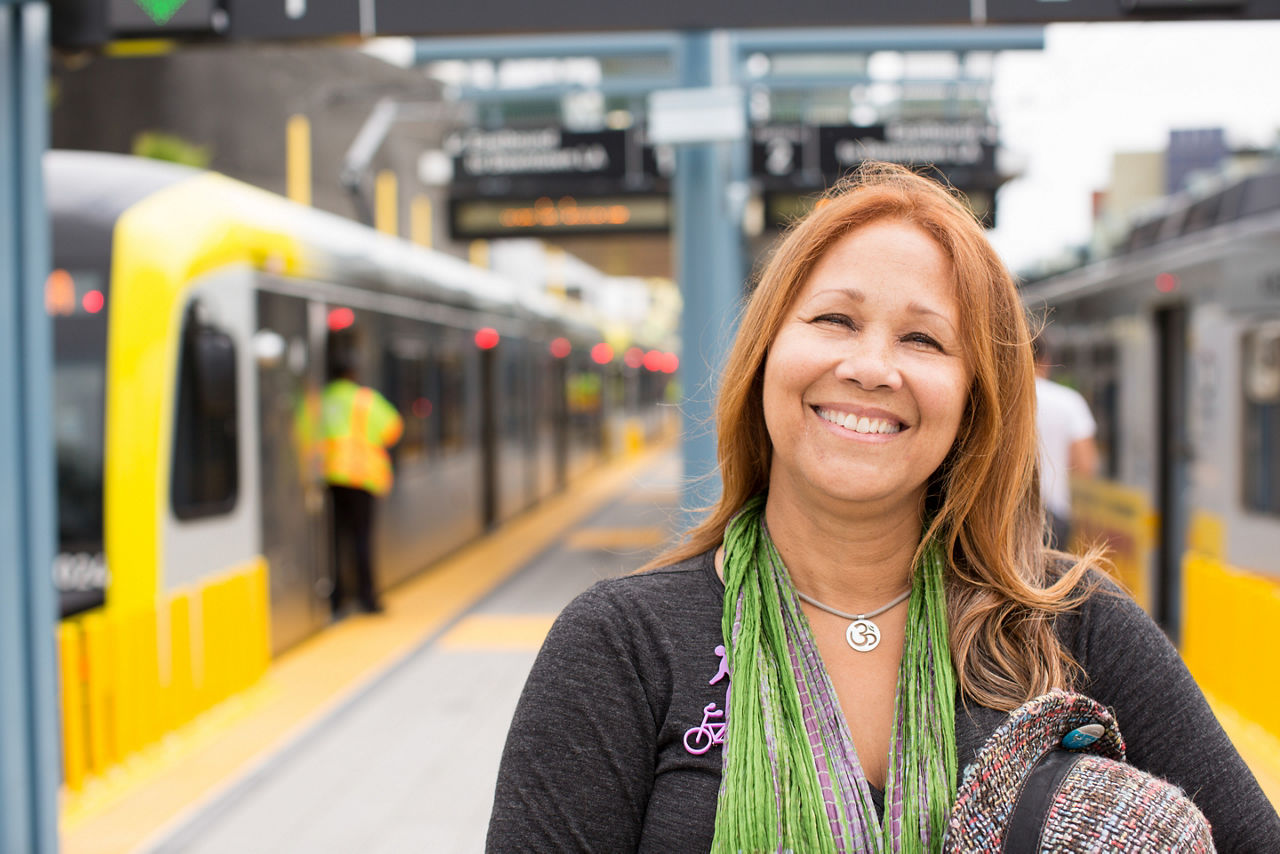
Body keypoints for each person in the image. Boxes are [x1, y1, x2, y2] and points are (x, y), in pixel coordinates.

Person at [486, 163, 1280, 852]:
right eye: (834, 319)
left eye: (925, 341)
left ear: (975, 400)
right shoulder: (622, 648)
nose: (870, 367)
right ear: (766, 354)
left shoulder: (1078, 623)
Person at [321, 358, 402, 615]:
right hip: (362, 477)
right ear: (353, 373)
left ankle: (337, 598)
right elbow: (393, 429)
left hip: (329, 476)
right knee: (361, 539)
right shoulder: (365, 399)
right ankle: (367, 598)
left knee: (334, 539)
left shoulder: (320, 400)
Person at [1033, 335, 1099, 550]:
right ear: (1045, 360)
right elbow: (1085, 465)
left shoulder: (998, 397)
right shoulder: (1068, 401)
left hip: (998, 513)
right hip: (1052, 514)